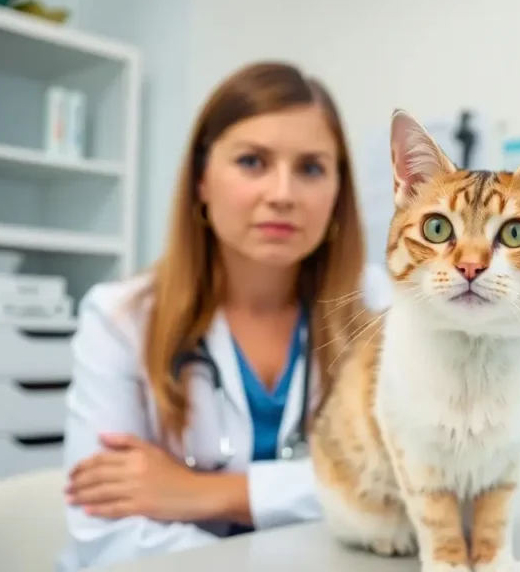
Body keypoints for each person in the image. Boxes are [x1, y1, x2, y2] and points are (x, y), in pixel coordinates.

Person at [56, 61, 391, 570]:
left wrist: (209, 493)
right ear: (201, 181)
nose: (282, 193)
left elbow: (416, 487)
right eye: (253, 162)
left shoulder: (379, 308)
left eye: (311, 168)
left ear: (338, 192)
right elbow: (106, 536)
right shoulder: (120, 318)